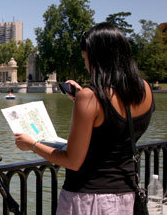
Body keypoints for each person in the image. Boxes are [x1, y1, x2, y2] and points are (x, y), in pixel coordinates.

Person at [14, 23, 155, 215]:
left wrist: (31, 145)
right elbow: (115, 131)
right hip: (126, 196)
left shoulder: (91, 97)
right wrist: (85, 101)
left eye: (85, 58)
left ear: (97, 58)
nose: (85, 64)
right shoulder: (145, 89)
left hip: (88, 199)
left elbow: (72, 160)